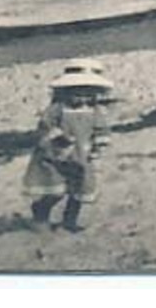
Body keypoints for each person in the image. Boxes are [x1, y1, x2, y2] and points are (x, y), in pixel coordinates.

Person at [23, 61, 112, 232]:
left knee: (78, 191)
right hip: (56, 156)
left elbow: (101, 130)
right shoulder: (57, 109)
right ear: (65, 91)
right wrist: (61, 139)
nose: (82, 97)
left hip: (81, 156)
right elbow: (45, 127)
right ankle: (40, 211)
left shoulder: (95, 111)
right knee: (56, 192)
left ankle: (69, 221)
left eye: (88, 93)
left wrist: (97, 148)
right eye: (77, 92)